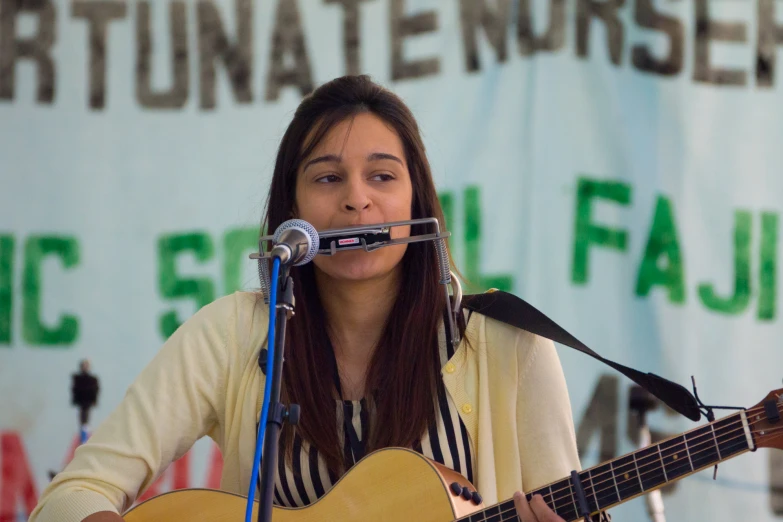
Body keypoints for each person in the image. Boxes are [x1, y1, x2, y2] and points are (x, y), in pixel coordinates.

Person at [29, 75, 608, 522]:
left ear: (416, 202)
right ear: (292, 211)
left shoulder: (509, 344)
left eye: (383, 177)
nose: (357, 201)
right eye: (328, 178)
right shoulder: (233, 334)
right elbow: (72, 495)